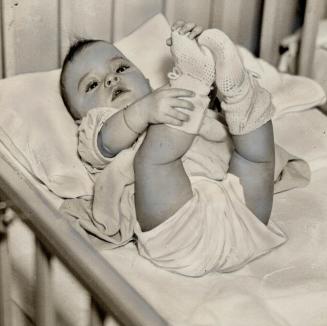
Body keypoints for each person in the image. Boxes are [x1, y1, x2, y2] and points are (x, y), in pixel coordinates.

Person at [59, 21, 286, 276]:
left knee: (255, 158)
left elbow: (218, 129)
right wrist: (145, 109)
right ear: (80, 118)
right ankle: (196, 80)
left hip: (243, 213)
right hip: (179, 233)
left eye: (121, 68)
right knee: (150, 161)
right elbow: (107, 140)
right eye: (91, 85)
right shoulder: (97, 127)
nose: (111, 79)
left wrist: (208, 68)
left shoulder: (169, 99)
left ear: (146, 80)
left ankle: (239, 91)